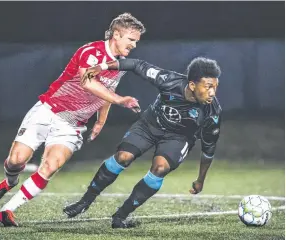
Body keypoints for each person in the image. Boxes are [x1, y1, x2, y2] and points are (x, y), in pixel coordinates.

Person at [0, 12, 146, 227]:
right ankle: (9, 182)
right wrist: (120, 100)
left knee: (50, 166)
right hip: (48, 110)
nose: (134, 45)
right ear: (116, 34)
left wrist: (100, 121)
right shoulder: (91, 51)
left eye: (136, 41)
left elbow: (106, 92)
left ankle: (7, 211)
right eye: (131, 39)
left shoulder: (120, 65)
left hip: (72, 125)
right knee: (16, 160)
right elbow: (88, 82)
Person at [63, 57, 222, 228]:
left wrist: (200, 180)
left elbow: (208, 149)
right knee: (123, 157)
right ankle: (84, 202)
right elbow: (136, 65)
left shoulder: (212, 112)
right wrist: (101, 67)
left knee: (160, 169)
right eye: (208, 87)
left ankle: (120, 216)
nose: (213, 93)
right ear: (192, 85)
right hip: (149, 125)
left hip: (178, 138)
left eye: (215, 87)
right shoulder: (168, 80)